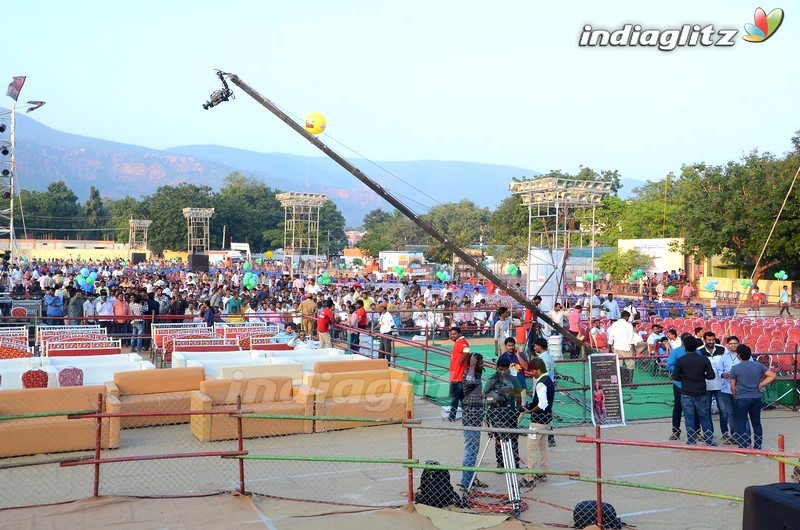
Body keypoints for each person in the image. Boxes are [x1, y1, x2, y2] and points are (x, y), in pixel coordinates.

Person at [672, 336, 716, 446]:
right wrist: (701, 376)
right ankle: (709, 440)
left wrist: (685, 378)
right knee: (704, 416)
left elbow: (675, 376)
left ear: (685, 347)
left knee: (689, 416)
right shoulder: (704, 359)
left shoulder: (681, 360)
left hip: (686, 391)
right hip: (701, 391)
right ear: (696, 346)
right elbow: (711, 376)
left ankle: (691, 440)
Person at [730, 345, 776, 449]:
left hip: (741, 397)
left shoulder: (735, 368)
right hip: (756, 397)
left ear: (739, 356)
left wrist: (735, 395)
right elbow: (772, 375)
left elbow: (732, 386)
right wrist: (760, 384)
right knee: (756, 422)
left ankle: (743, 446)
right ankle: (758, 446)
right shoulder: (758, 365)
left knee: (741, 422)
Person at [521, 357, 554, 488]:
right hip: (547, 420)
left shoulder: (541, 383)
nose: (531, 374)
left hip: (538, 421)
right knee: (543, 446)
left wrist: (530, 411)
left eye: (532, 371)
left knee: (531, 447)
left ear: (538, 370)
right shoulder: (549, 380)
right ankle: (542, 472)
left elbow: (542, 404)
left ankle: (529, 476)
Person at [483, 357, 522, 469]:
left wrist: (517, 410)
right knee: (498, 440)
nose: (503, 372)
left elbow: (518, 395)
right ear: (497, 368)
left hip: (511, 414)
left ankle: (515, 463)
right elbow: (485, 396)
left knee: (513, 439)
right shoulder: (492, 380)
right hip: (496, 416)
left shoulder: (513, 380)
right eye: (500, 369)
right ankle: (501, 464)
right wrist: (495, 400)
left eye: (505, 369)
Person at [459, 352, 487, 492]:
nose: (483, 366)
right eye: (481, 364)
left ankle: (471, 478)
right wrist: (472, 365)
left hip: (476, 418)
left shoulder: (477, 375)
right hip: (470, 419)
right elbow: (469, 382)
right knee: (470, 450)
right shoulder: (467, 375)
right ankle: (465, 482)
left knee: (474, 451)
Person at [448, 326, 471, 422]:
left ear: (459, 334)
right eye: (451, 334)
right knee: (461, 397)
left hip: (458, 375)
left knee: (455, 397)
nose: (452, 336)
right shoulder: (459, 342)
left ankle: (452, 416)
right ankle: (467, 415)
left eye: (454, 334)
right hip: (457, 374)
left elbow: (466, 350)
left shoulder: (462, 342)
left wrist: (461, 361)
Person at [606, 310, 635, 385]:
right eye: (628, 317)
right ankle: (630, 383)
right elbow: (631, 338)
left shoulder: (614, 324)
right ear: (626, 317)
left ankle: (617, 382)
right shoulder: (629, 325)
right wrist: (633, 349)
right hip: (626, 348)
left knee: (618, 365)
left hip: (617, 347)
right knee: (630, 366)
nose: (628, 319)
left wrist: (609, 347)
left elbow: (611, 336)